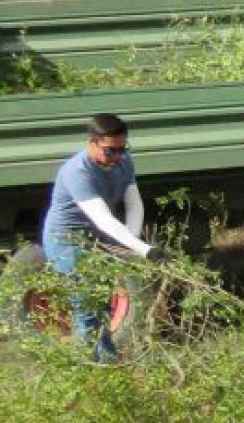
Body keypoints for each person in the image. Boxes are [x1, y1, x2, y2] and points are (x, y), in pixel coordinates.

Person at [39, 113, 168, 362]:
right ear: (92, 142)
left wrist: (129, 241)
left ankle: (104, 362)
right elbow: (102, 217)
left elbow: (134, 203)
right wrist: (144, 249)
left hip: (99, 237)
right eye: (110, 151)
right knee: (87, 306)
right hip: (68, 240)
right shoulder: (77, 171)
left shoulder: (123, 162)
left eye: (123, 149)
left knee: (102, 304)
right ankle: (94, 370)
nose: (117, 157)